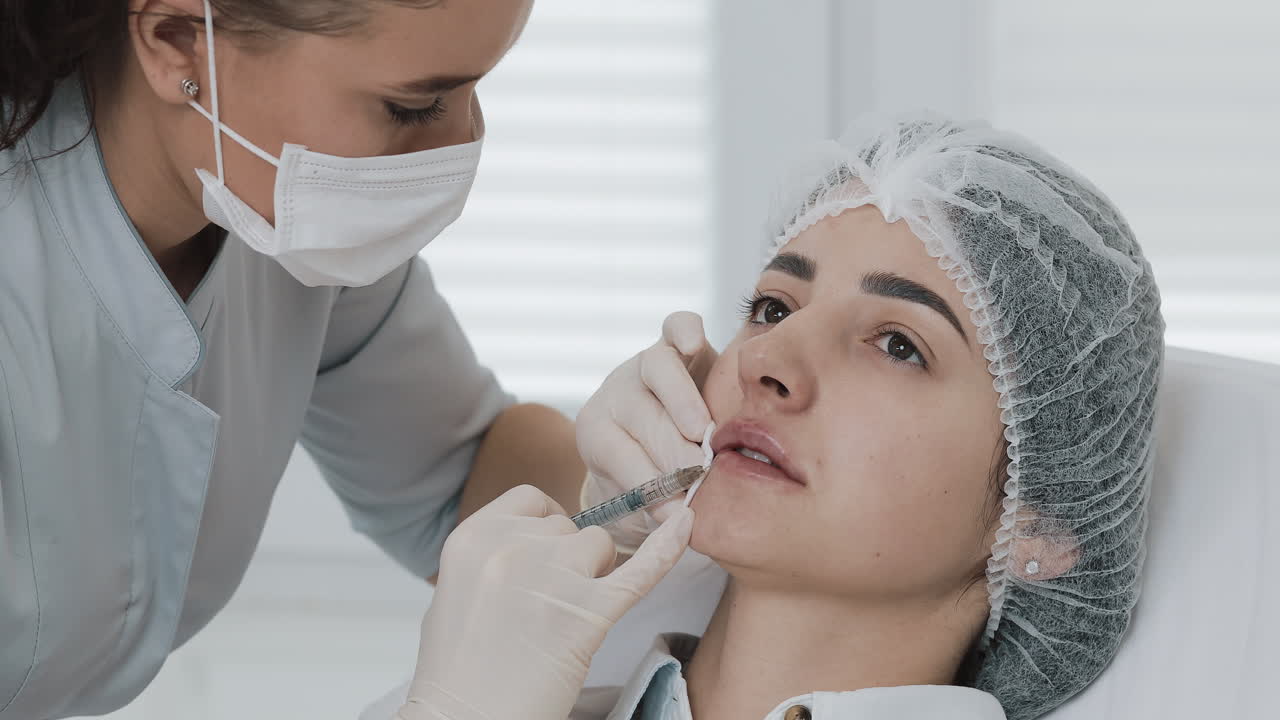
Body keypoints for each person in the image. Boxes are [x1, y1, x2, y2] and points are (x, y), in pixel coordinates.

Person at [0, 1, 684, 716]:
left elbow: (461, 477)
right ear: (176, 42)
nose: (464, 145)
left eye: (476, 90)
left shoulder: (283, 221)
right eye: (414, 106)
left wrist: (645, 478)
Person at [564, 112, 1165, 719]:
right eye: (773, 308)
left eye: (898, 345)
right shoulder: (513, 689)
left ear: (1044, 524)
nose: (763, 359)